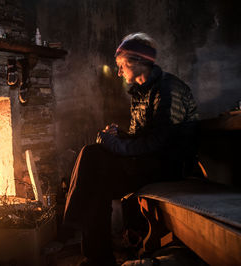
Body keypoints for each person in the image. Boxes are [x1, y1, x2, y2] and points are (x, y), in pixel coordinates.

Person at [63, 32, 198, 266]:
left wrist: (116, 144)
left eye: (121, 65)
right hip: (147, 161)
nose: (118, 72)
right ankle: (98, 257)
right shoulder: (140, 92)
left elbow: (162, 142)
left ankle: (73, 225)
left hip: (169, 166)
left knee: (93, 155)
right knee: (96, 175)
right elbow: (140, 137)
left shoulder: (168, 89)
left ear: (136, 61)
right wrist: (117, 136)